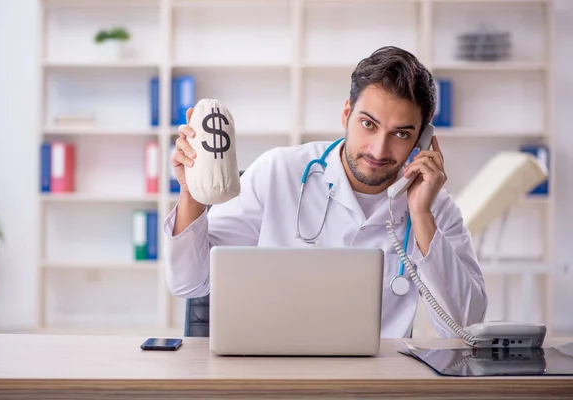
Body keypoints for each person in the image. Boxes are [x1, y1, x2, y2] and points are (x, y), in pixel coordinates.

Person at [163, 46, 488, 338]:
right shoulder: (278, 172)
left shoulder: (435, 208)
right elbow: (189, 282)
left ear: (422, 140)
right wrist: (191, 192)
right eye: (368, 124)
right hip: (272, 372)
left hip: (377, 382)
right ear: (347, 114)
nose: (379, 149)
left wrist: (420, 216)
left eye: (401, 133)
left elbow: (463, 328)